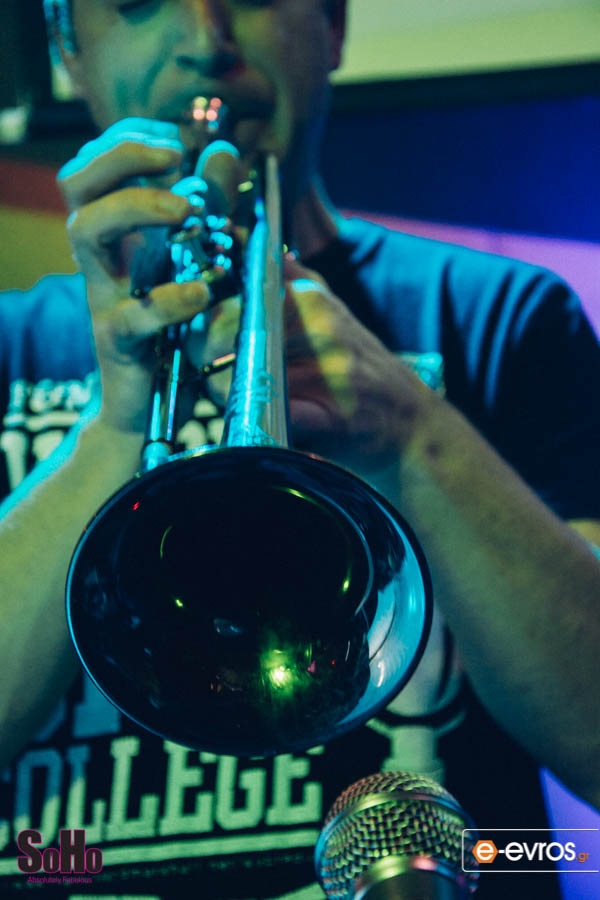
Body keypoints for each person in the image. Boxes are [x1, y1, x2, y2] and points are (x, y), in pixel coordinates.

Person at [0, 1, 599, 898]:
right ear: (68, 52)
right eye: (138, 2)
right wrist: (113, 434)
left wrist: (413, 431)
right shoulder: (8, 347)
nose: (205, 45)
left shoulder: (499, 315)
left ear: (335, 26)